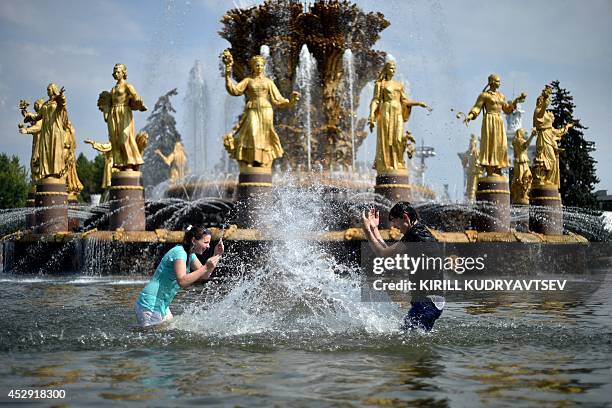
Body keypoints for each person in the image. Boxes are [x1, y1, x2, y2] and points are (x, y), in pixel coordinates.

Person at [361, 202, 444, 332]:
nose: (395, 227)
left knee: (404, 338)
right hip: (432, 303)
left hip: (426, 303)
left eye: (396, 223)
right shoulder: (419, 233)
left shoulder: (414, 236)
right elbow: (387, 251)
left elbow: (383, 254)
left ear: (405, 217)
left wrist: (366, 230)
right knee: (416, 341)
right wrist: (374, 229)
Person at [221, 51, 299, 169]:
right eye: (257, 65)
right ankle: (251, 159)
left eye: (261, 65)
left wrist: (291, 101)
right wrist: (227, 73)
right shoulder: (248, 80)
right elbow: (234, 91)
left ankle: (262, 161)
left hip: (266, 110)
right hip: (252, 109)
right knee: (253, 132)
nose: (259, 67)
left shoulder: (268, 82)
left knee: (265, 135)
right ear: (253, 66)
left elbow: (278, 100)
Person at [134, 225, 224, 328]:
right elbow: (182, 281)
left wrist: (217, 254)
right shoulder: (180, 252)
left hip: (162, 304)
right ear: (194, 240)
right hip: (150, 303)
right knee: (153, 340)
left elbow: (204, 275)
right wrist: (205, 267)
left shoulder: (190, 254)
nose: (208, 246)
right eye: (206, 242)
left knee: (167, 335)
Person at [368, 60, 431, 173]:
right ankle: (386, 165)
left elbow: (405, 101)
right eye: (391, 68)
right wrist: (371, 115)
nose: (393, 70)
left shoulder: (399, 85)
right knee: (387, 139)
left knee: (398, 138)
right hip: (386, 111)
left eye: (394, 68)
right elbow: (376, 100)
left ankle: (399, 162)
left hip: (397, 113)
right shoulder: (380, 84)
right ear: (386, 69)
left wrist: (418, 103)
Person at [464, 74, 526, 177]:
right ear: (491, 82)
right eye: (497, 81)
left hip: (499, 121)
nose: (499, 83)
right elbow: (477, 107)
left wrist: (516, 101)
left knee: (501, 145)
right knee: (491, 144)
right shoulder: (484, 95)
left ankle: (498, 167)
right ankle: (490, 169)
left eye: (499, 81)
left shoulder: (501, 96)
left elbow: (507, 110)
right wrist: (470, 116)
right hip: (489, 121)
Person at [98, 63, 147, 171]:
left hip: (124, 112)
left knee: (124, 139)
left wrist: (139, 103)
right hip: (114, 114)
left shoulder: (127, 86)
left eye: (118, 71)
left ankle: (132, 162)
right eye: (114, 72)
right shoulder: (113, 89)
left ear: (123, 73)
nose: (116, 73)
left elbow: (135, 96)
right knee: (115, 140)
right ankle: (122, 164)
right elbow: (108, 103)